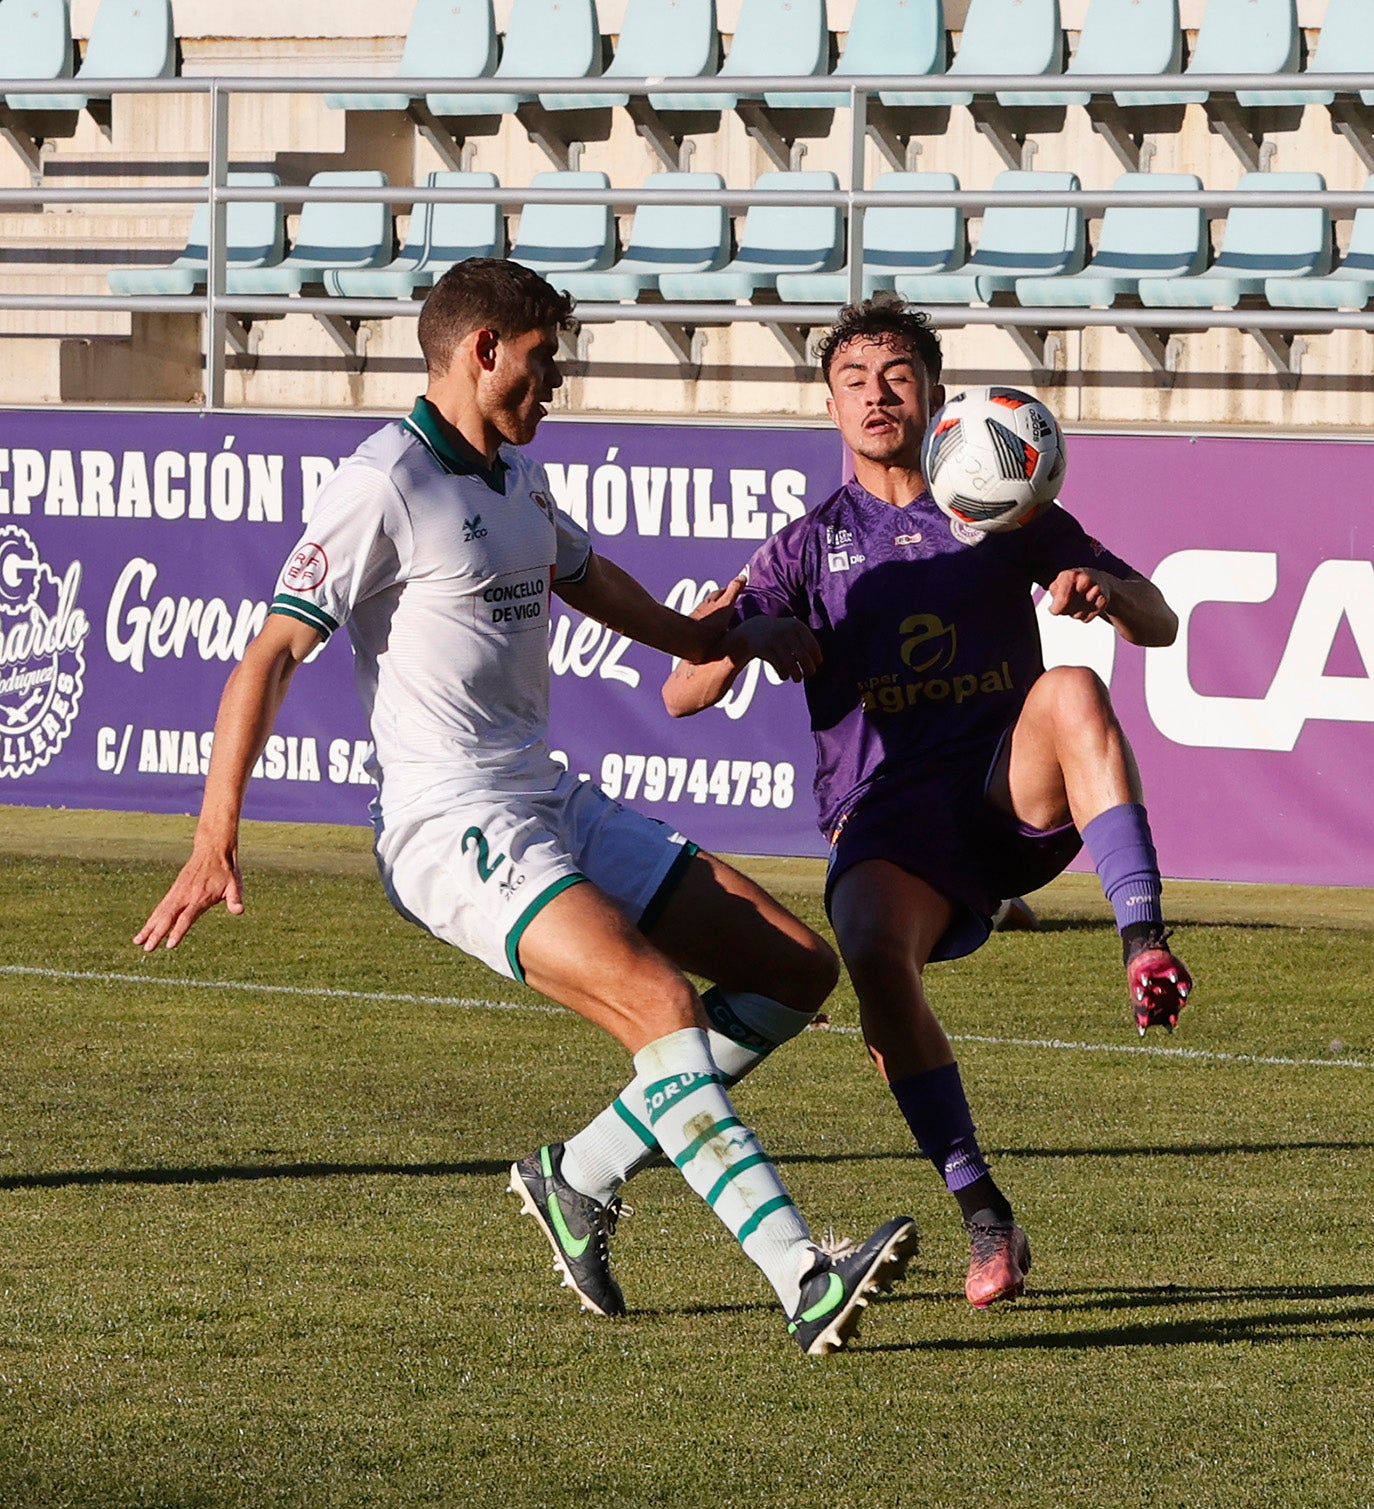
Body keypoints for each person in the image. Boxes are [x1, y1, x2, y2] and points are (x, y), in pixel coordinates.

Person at [134, 260, 918, 1356]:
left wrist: (723, 639)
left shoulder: (515, 481)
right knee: (661, 1006)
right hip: (449, 827)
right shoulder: (386, 483)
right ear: (482, 350)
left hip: (541, 793)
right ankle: (802, 1277)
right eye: (543, 365)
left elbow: (595, 584)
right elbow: (269, 653)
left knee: (793, 967)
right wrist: (215, 835)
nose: (556, 389)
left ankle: (581, 1174)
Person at [558, 295, 1192, 1313]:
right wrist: (746, 638)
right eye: (853, 380)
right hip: (885, 818)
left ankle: (1144, 942)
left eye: (896, 376)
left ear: (937, 398)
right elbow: (679, 690)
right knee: (868, 950)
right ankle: (986, 1216)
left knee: (1072, 689)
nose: (875, 395)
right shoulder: (807, 546)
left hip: (999, 789)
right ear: (829, 404)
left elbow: (1159, 619)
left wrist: (1103, 591)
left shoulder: (1003, 505)